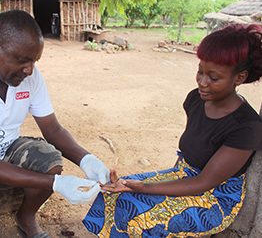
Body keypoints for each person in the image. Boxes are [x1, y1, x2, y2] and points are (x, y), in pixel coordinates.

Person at [0, 10, 110, 238]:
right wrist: (55, 184)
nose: (29, 70)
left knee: (48, 158)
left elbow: (53, 129)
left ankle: (25, 217)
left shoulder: (29, 77)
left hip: (6, 154)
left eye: (34, 61)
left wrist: (87, 159)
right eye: (22, 60)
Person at [83, 24, 262, 237]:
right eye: (200, 72)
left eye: (213, 78)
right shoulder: (196, 99)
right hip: (183, 175)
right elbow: (191, 153)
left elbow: (204, 182)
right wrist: (142, 186)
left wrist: (145, 188)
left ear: (239, 78)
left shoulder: (246, 126)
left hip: (214, 197)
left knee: (144, 221)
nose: (202, 82)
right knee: (113, 192)